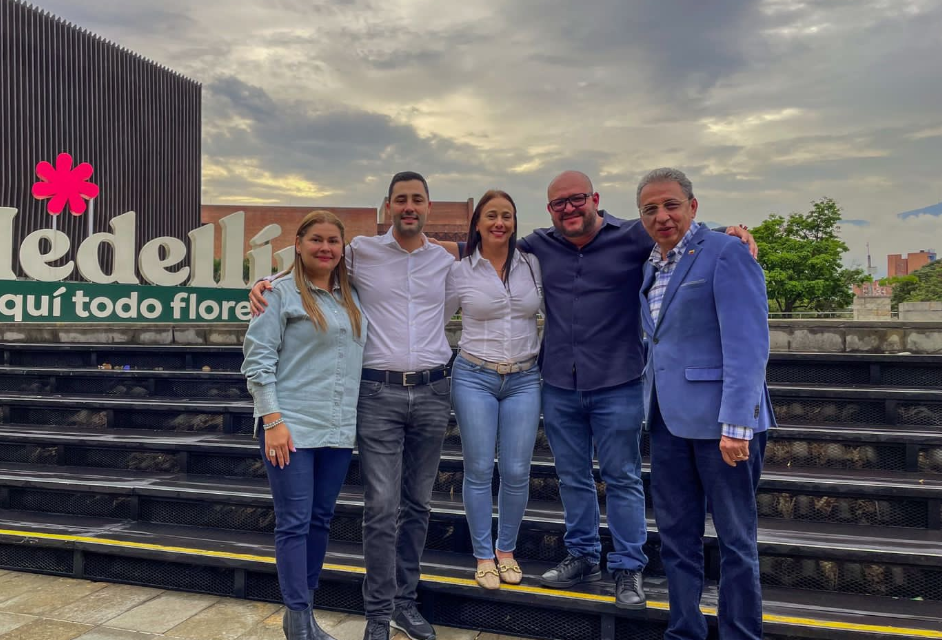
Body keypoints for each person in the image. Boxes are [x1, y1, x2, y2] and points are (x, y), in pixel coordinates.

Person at [517, 171, 756, 610]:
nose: (569, 209)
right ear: (549, 210)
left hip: (618, 381)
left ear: (595, 199)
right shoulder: (539, 244)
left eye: (577, 200)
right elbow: (485, 248)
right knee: (572, 477)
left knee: (622, 478)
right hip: (558, 383)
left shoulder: (634, 233)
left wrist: (732, 231)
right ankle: (583, 555)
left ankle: (628, 566)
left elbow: (683, 234)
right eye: (558, 204)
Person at [250, 172, 456, 640]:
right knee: (371, 508)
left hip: (382, 409)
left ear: (429, 206)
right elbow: (261, 351)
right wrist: (266, 282)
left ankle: (400, 605)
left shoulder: (440, 261)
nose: (409, 206)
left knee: (404, 507)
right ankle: (352, 616)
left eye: (417, 199)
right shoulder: (361, 251)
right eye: (401, 199)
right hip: (352, 405)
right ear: (388, 206)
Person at [636, 168, 773, 640]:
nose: (661, 215)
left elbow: (748, 343)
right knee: (677, 540)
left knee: (736, 542)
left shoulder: (726, 252)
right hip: (667, 423)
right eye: (650, 209)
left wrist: (737, 423)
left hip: (724, 427)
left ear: (693, 206)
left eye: (671, 204)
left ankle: (739, 634)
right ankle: (685, 631)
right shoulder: (651, 264)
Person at [241, 210, 368, 640]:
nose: (325, 248)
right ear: (298, 243)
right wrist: (272, 420)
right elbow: (257, 362)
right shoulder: (277, 294)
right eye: (316, 239)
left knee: (320, 520)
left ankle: (306, 611)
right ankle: (297, 620)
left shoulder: (350, 296)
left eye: (334, 241)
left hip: (336, 428)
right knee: (293, 522)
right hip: (290, 427)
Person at [445, 190, 543, 590]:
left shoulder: (533, 265)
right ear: (478, 223)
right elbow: (433, 315)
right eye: (491, 216)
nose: (499, 223)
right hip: (474, 375)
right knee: (480, 468)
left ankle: (507, 551)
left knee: (518, 470)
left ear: (515, 222)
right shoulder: (461, 270)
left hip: (524, 378)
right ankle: (483, 555)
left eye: (506, 215)